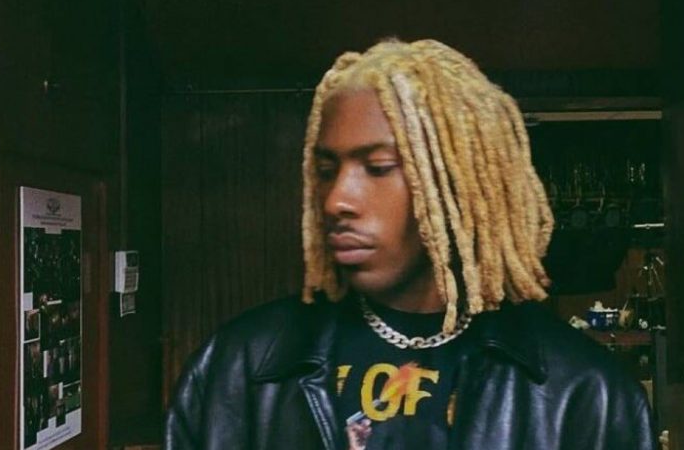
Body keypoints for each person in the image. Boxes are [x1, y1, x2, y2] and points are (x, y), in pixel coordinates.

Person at [165, 39, 654, 450]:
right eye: (327, 170)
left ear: (457, 184)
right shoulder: (237, 369)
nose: (336, 200)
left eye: (377, 168)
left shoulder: (582, 393)